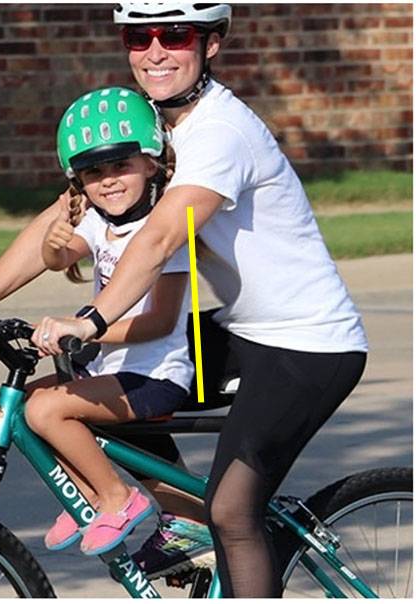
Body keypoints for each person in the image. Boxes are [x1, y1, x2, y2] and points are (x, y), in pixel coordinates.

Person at [27, 4, 367, 596]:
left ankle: (208, 527)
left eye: (175, 34)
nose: (155, 50)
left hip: (309, 344)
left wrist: (92, 317)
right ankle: (184, 524)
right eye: (139, 35)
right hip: (245, 328)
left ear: (211, 43)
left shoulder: (218, 132)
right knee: (104, 381)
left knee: (234, 510)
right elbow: (59, 220)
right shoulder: (153, 128)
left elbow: (160, 237)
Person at [27, 86, 195, 557]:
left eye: (121, 165)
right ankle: (83, 492)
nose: (109, 181)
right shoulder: (100, 221)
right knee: (24, 401)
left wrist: (85, 329)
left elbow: (159, 322)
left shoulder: (164, 231)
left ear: (151, 162)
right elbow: (62, 258)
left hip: (155, 375)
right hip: (112, 370)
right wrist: (52, 244)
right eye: (94, 172)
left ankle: (116, 498)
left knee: (47, 410)